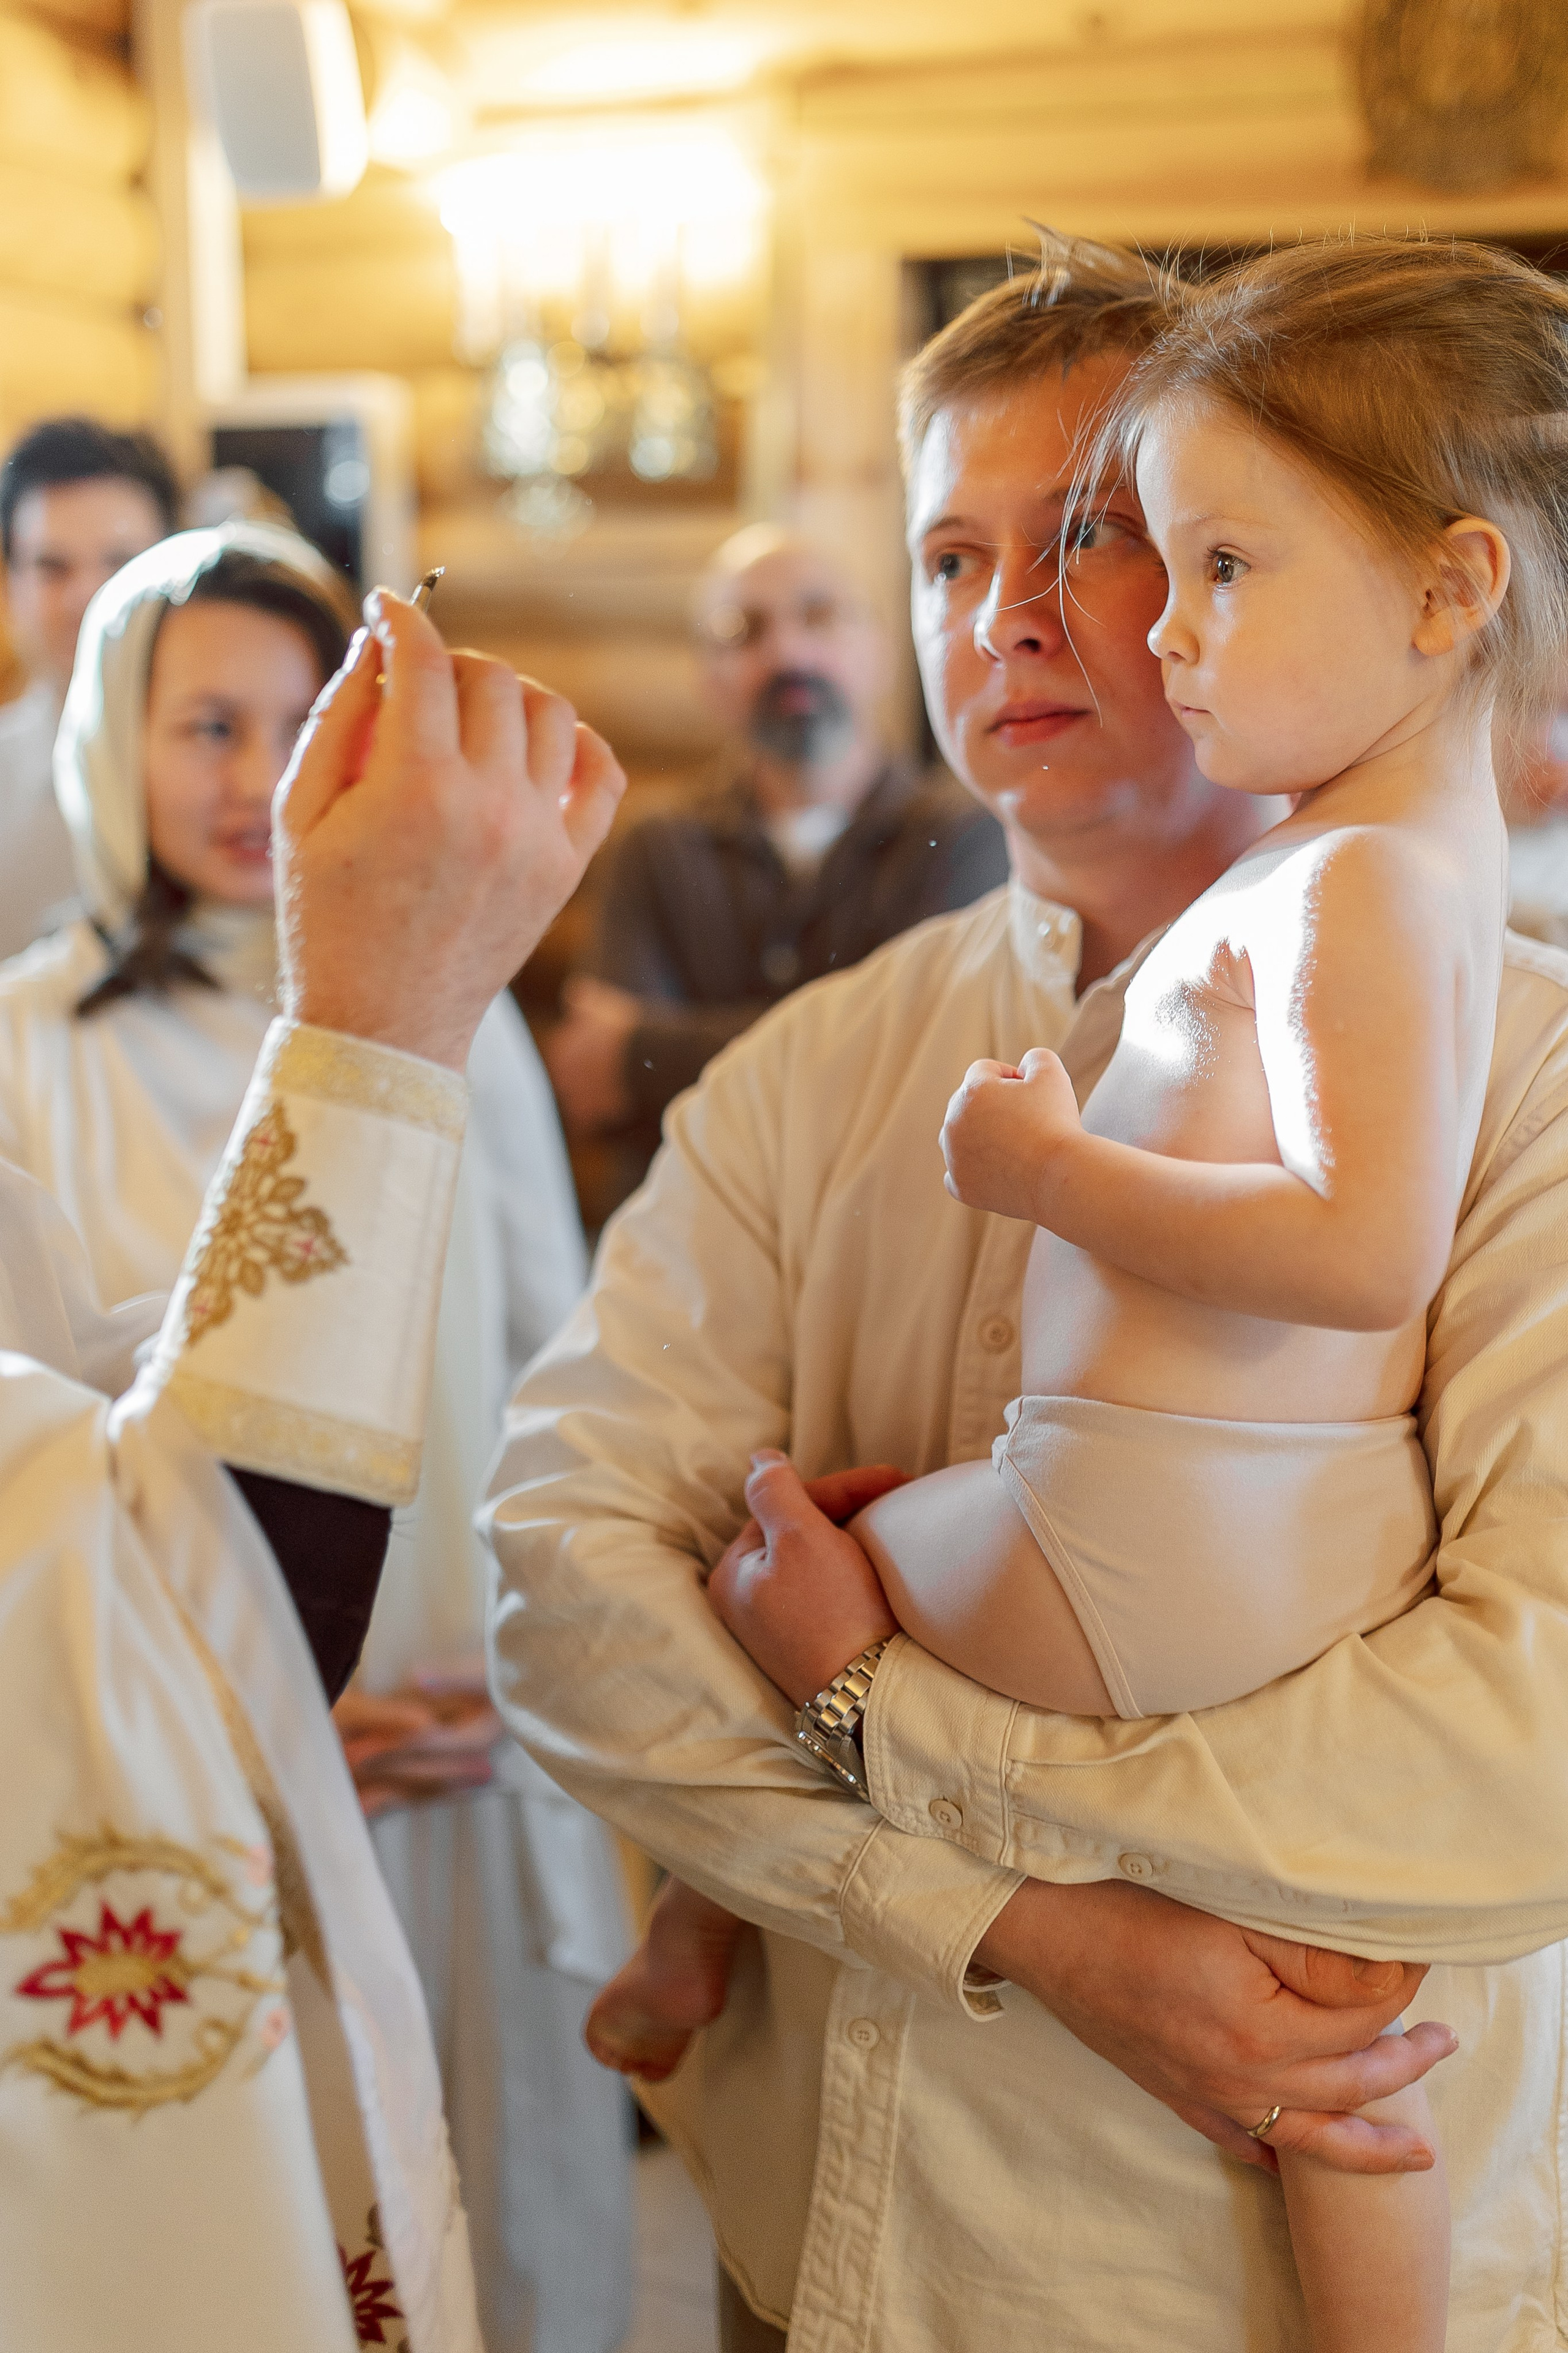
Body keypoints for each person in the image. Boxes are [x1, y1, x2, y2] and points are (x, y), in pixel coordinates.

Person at [483, 233, 1568, 2352]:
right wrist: (1026, 1925)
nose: (1007, 620)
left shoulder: (1523, 1070)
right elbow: (563, 1577)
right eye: (946, 556)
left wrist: (878, 1722)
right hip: (828, 2261)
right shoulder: (819, 1067)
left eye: (1090, 543)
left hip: (1235, 2281)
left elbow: (1525, 1742)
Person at [0, 523, 632, 2353]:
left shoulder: (469, 1013)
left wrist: (530, 1674)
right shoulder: (27, 1037)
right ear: (106, 738)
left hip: (450, 1715)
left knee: (501, 2200)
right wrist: (263, 1697)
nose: (253, 779)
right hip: (165, 1736)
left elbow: (550, 1353)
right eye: (204, 722)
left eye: (296, 729)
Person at [544, 524, 1008, 1187]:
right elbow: (596, 1087)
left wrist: (647, 1049)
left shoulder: (966, 838)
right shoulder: (655, 848)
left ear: (880, 648)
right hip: (687, 1259)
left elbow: (930, 1081)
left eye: (819, 617)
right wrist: (855, 1053)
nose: (787, 651)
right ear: (708, 675)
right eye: (744, 630)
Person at [0, 416, 178, 957]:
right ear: (11, 585)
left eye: (122, 563)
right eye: (53, 568)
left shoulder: (249, 776)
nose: (90, 597)